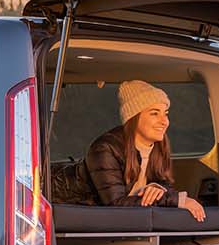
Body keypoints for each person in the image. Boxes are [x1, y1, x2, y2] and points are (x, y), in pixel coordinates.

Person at [50, 80, 206, 221]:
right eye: (154, 113)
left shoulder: (158, 145)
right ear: (134, 117)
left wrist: (158, 189)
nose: (164, 121)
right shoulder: (105, 148)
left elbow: (164, 184)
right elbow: (115, 204)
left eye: (165, 113)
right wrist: (177, 200)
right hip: (55, 199)